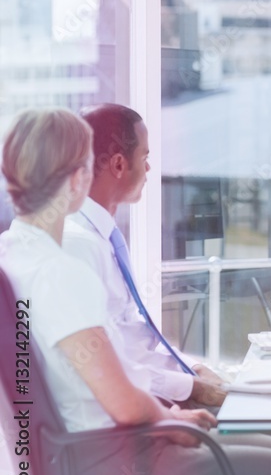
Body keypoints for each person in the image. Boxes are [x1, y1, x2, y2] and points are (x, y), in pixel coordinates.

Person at [0, 108, 271, 475]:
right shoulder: (62, 268)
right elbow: (122, 402)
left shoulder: (14, 253)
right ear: (77, 175)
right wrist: (174, 417)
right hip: (119, 460)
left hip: (80, 461)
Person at [62, 103, 226, 409]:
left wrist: (193, 370)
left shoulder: (100, 236)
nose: (149, 168)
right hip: (137, 422)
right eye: (145, 157)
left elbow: (131, 337)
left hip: (156, 402)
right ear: (120, 165)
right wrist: (194, 389)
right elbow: (100, 367)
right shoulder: (76, 246)